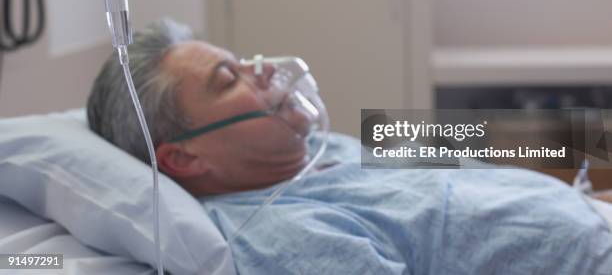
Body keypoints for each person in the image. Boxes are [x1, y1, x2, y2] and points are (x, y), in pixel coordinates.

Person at [87, 18, 612, 274]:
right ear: (184, 156)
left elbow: (477, 167)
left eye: (244, 58)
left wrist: (588, 203)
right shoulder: (283, 236)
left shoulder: (325, 146)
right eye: (229, 79)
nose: (263, 68)